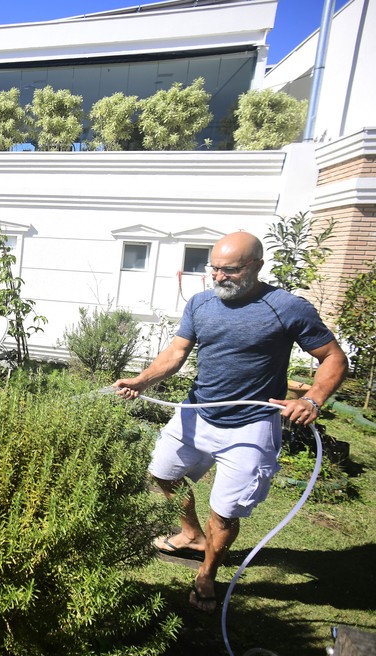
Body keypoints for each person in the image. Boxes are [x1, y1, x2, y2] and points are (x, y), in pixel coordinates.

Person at [113, 231, 347, 613]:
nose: (219, 278)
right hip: (197, 412)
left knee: (226, 510)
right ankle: (191, 534)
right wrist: (141, 381)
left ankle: (207, 573)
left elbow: (334, 358)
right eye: (214, 269)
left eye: (231, 270)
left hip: (251, 424)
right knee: (162, 474)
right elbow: (176, 352)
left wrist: (313, 398)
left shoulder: (287, 307)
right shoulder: (201, 303)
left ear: (256, 266)